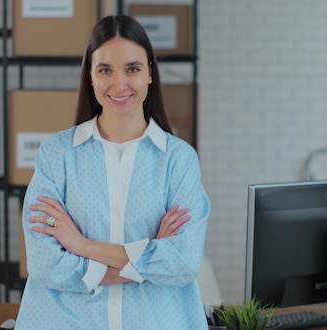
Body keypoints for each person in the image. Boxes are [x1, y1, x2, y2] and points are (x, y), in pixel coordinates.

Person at [14, 14, 211, 329]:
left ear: (149, 73)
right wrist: (147, 258)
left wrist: (82, 246)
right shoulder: (56, 155)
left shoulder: (179, 160)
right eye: (105, 70)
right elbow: (45, 264)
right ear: (90, 76)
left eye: (132, 69)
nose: (119, 84)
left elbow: (182, 263)